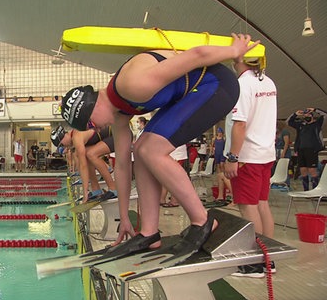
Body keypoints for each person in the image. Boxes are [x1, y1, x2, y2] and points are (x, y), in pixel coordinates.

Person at [60, 33, 259, 258]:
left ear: (93, 104)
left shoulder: (131, 85)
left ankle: (202, 220)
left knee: (151, 148)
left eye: (90, 123)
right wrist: (124, 216)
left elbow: (197, 54)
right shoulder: (120, 113)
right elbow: (124, 166)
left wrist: (235, 51)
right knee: (142, 149)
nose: (94, 129)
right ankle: (148, 232)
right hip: (194, 91)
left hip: (216, 85)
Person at [224, 57, 277, 277]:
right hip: (265, 154)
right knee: (262, 204)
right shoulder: (268, 82)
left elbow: (240, 123)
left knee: (248, 208)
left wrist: (233, 157)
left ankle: (254, 264)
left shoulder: (243, 84)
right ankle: (268, 259)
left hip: (247, 156)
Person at [51, 125, 117, 202]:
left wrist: (85, 192)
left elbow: (83, 166)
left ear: (64, 136)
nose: (64, 146)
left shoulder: (76, 138)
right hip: (111, 136)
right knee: (86, 154)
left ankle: (113, 189)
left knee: (91, 154)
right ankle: (96, 189)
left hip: (117, 134)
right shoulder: (75, 137)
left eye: (62, 144)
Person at [287, 108, 326, 190]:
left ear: (312, 116)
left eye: (308, 115)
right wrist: (295, 114)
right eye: (304, 116)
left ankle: (315, 190)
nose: (306, 116)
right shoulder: (301, 125)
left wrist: (315, 109)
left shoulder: (317, 124)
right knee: (303, 171)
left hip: (312, 150)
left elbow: (325, 115)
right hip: (301, 150)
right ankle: (306, 191)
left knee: (312, 171)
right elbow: (288, 122)